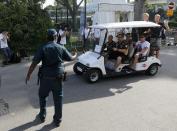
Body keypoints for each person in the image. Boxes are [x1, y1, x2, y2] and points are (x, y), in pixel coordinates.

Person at [25, 29, 77, 127]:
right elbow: (71, 58)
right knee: (58, 99)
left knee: (42, 96)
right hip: (58, 78)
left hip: (45, 78)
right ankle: (57, 120)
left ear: (46, 37)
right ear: (56, 37)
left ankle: (42, 115)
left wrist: (29, 74)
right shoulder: (61, 47)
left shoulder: (43, 48)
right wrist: (75, 54)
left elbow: (34, 63)